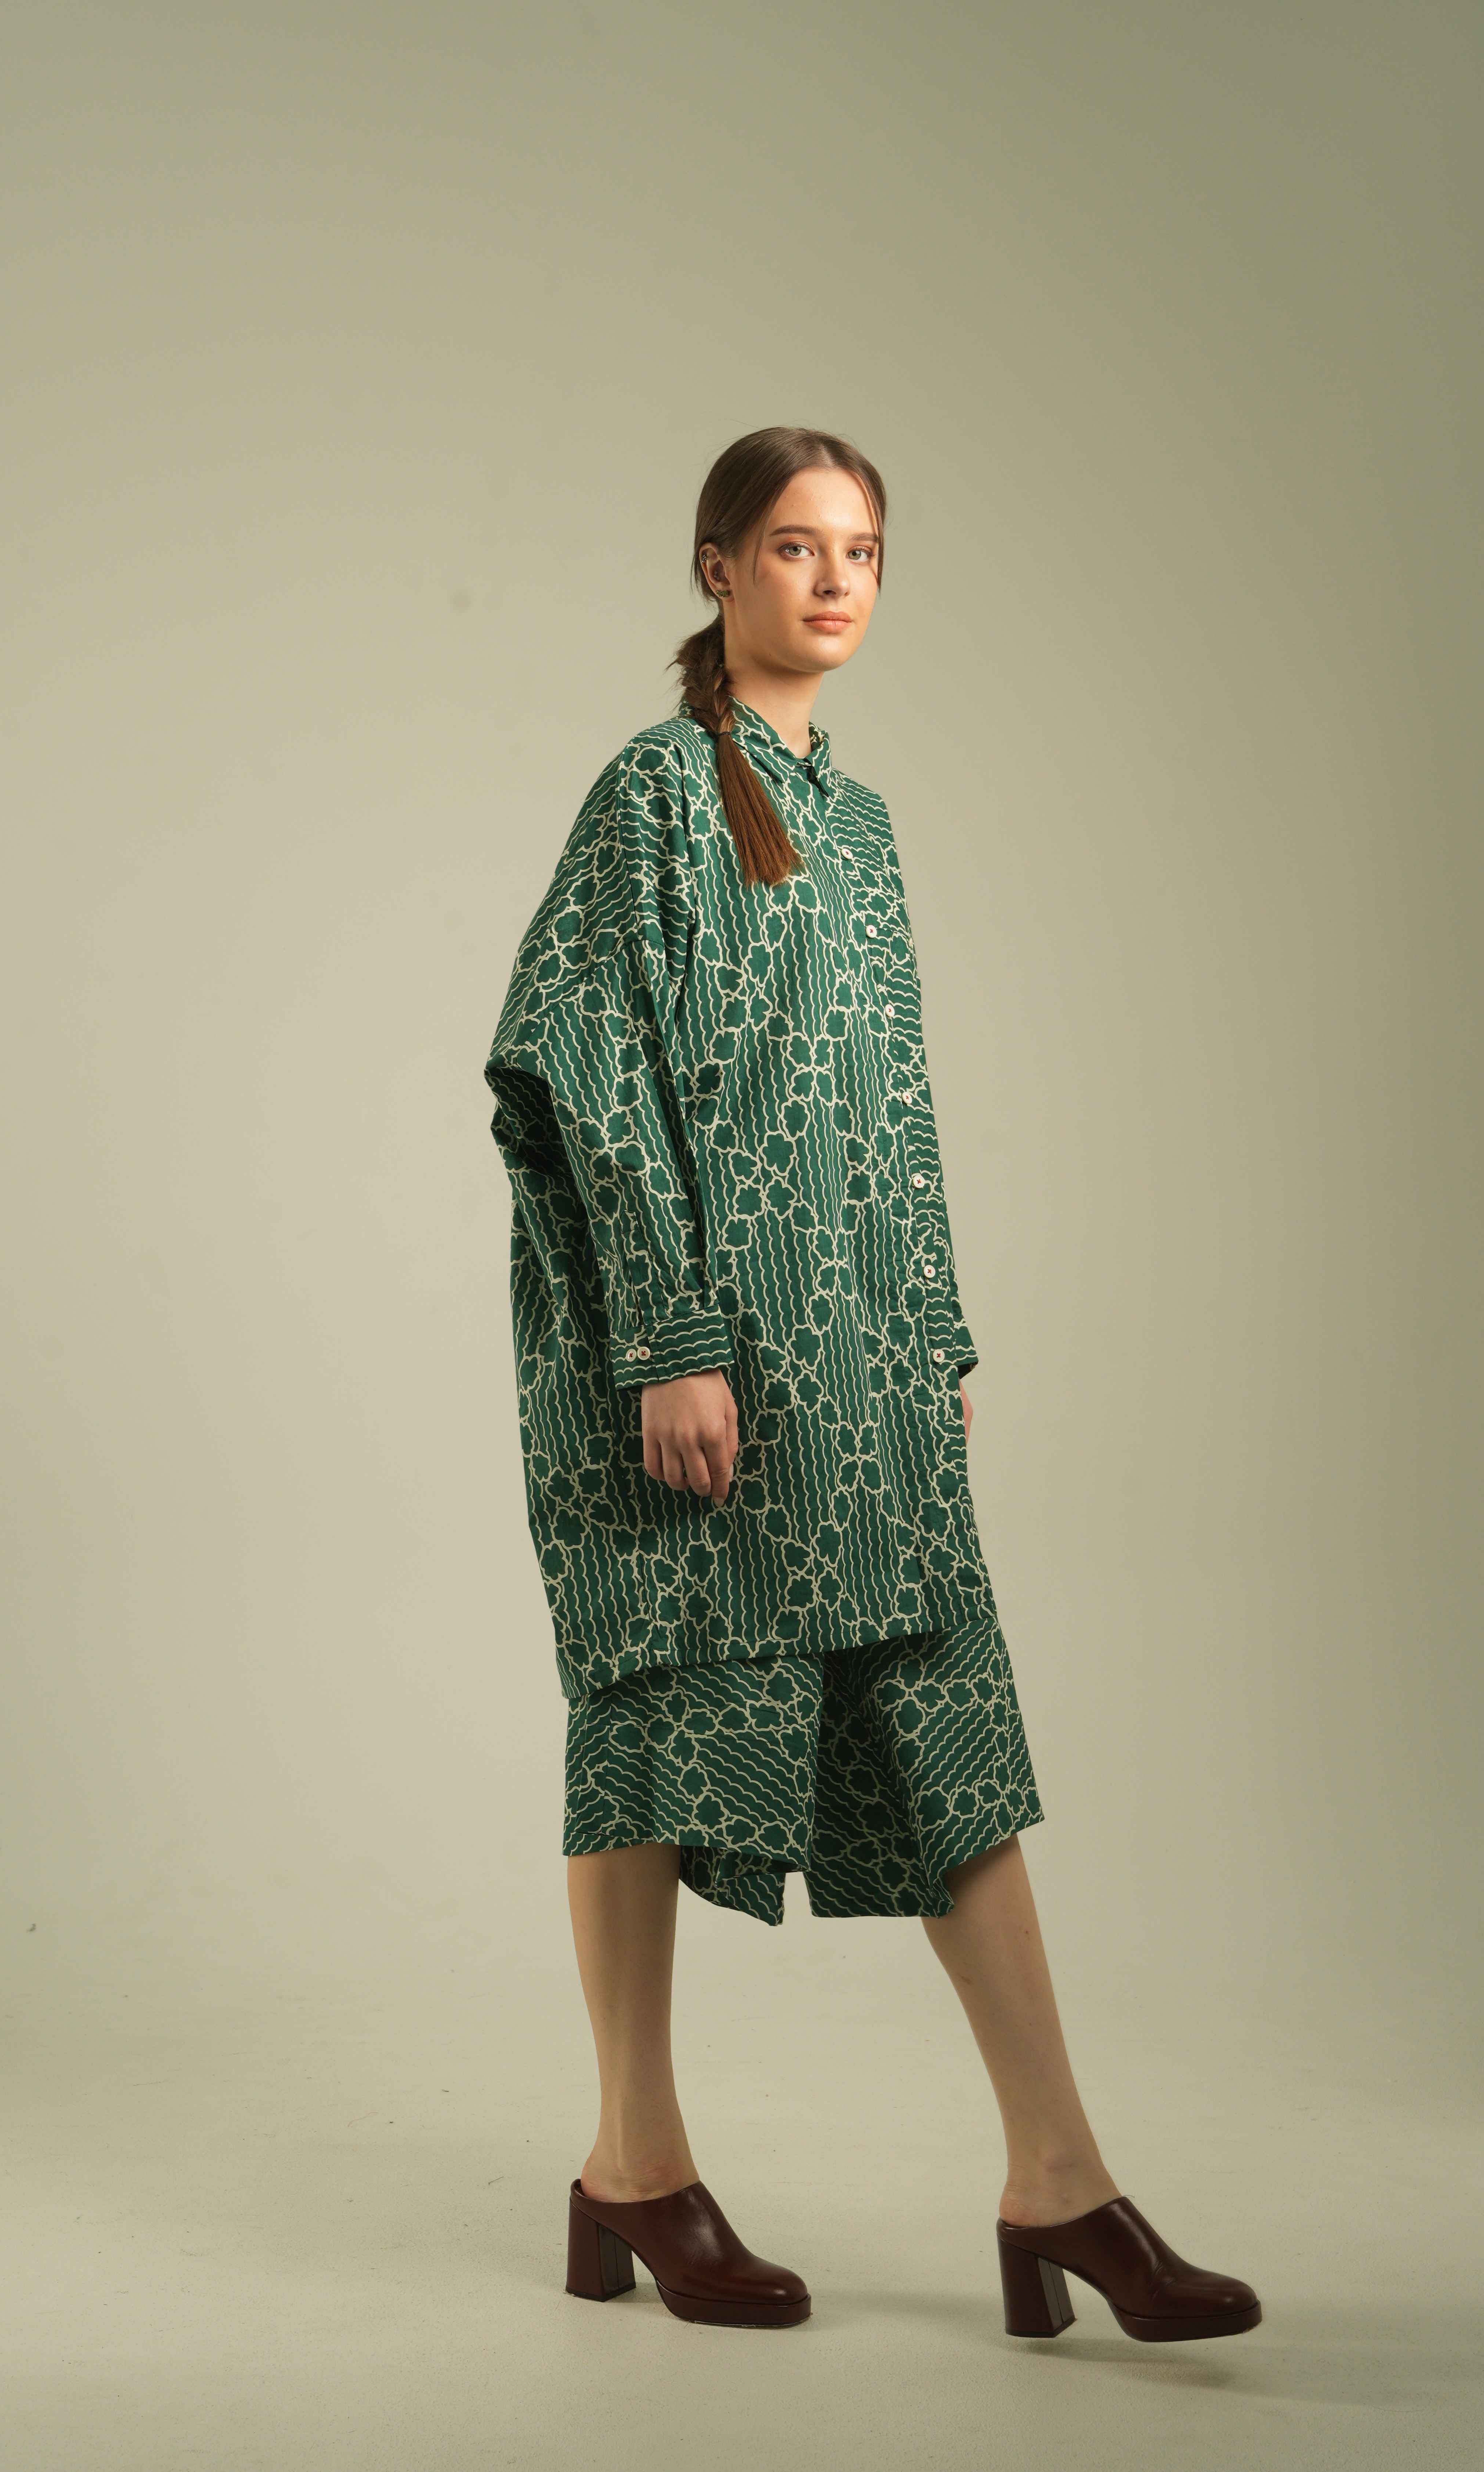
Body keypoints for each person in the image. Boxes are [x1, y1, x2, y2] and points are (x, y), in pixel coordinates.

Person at [483, 426, 1260, 2346]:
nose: (836, 581)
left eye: (864, 552)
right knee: (651, 1716)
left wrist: (937, 1334)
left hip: (861, 1363)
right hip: (693, 1363)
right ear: (717, 567)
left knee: (948, 1729)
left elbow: (894, 1105)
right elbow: (585, 1070)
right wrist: (670, 1342)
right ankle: (636, 2161)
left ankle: (1060, 2182)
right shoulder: (655, 793)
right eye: (795, 546)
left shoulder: (869, 825)